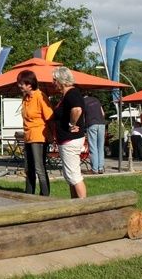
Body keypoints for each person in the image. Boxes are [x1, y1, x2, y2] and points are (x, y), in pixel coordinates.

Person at [52, 66, 87, 199]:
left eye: (54, 80)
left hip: (70, 140)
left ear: (61, 80)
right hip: (66, 140)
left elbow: (77, 109)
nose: (53, 83)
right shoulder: (66, 95)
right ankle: (75, 204)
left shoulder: (72, 93)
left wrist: (72, 124)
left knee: (74, 175)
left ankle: (84, 207)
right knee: (70, 176)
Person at [17, 70, 54, 196]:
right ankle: (28, 194)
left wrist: (52, 135)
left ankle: (45, 195)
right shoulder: (25, 98)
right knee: (29, 168)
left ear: (29, 84)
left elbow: (50, 117)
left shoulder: (40, 96)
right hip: (28, 136)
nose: (19, 86)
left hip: (38, 136)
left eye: (22, 83)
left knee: (39, 167)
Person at [83, 94, 106, 174]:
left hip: (92, 124)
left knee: (93, 147)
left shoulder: (83, 101)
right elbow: (103, 113)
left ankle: (94, 169)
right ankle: (100, 168)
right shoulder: (96, 99)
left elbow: (81, 116)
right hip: (102, 124)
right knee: (100, 147)